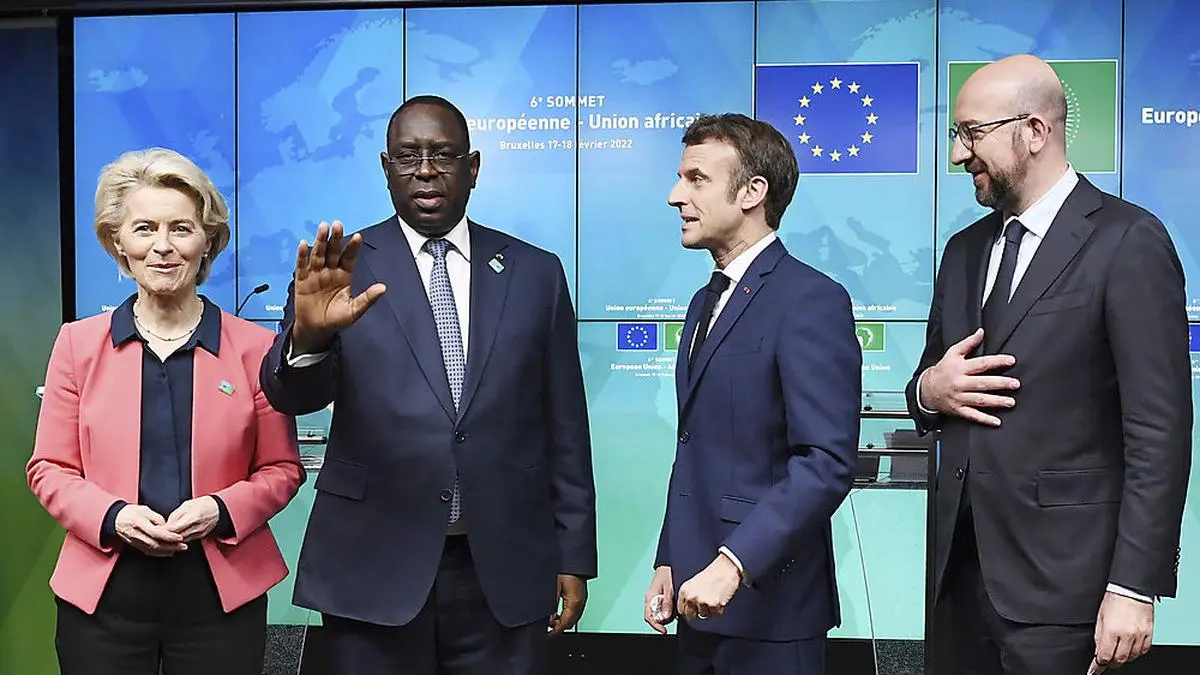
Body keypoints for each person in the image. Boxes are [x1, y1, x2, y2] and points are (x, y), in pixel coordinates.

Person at [259, 94, 597, 675]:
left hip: (503, 566)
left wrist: (574, 552)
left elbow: (564, 422)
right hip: (373, 565)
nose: (425, 170)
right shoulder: (341, 267)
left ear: (473, 167)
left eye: (442, 155)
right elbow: (293, 396)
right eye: (408, 156)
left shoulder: (535, 272)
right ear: (386, 167)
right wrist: (310, 337)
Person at [907, 53, 1191, 673]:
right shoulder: (962, 250)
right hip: (957, 588)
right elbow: (927, 381)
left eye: (971, 133)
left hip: (1070, 596)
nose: (957, 155)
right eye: (956, 134)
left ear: (1034, 131)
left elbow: (1159, 431)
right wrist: (929, 390)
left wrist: (1134, 586)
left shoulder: (1128, 240)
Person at [27, 147, 305, 675]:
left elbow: (281, 469)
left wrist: (220, 509)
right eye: (144, 229)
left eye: (181, 228)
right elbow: (50, 469)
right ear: (118, 242)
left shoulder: (255, 349)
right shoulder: (77, 345)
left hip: (220, 599)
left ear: (207, 241)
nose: (162, 246)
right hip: (103, 598)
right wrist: (114, 517)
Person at [644, 113, 862, 674]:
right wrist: (670, 557)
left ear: (752, 193)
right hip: (696, 602)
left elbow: (826, 462)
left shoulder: (810, 299)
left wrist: (734, 563)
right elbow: (695, 446)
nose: (675, 196)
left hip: (771, 613)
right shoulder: (703, 302)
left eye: (696, 179)